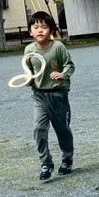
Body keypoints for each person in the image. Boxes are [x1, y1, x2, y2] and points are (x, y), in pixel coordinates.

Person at [23, 11, 75, 181]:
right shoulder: (29, 50)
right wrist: (29, 80)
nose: (40, 30)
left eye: (44, 27)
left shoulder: (58, 47)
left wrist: (62, 74)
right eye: (35, 27)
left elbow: (70, 65)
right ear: (30, 31)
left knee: (62, 130)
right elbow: (29, 72)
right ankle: (46, 162)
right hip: (39, 96)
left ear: (51, 30)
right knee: (38, 129)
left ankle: (67, 159)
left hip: (58, 95)